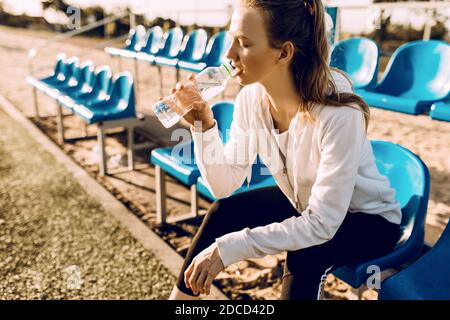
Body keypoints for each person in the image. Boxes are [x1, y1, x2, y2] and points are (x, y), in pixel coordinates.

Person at [167, 0, 401, 300]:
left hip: (370, 220)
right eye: (231, 40)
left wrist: (229, 248)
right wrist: (203, 127)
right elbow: (223, 186)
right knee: (224, 212)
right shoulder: (250, 99)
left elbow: (322, 224)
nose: (229, 55)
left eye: (244, 44)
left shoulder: (341, 112)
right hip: (306, 200)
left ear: (284, 52)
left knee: (304, 255)